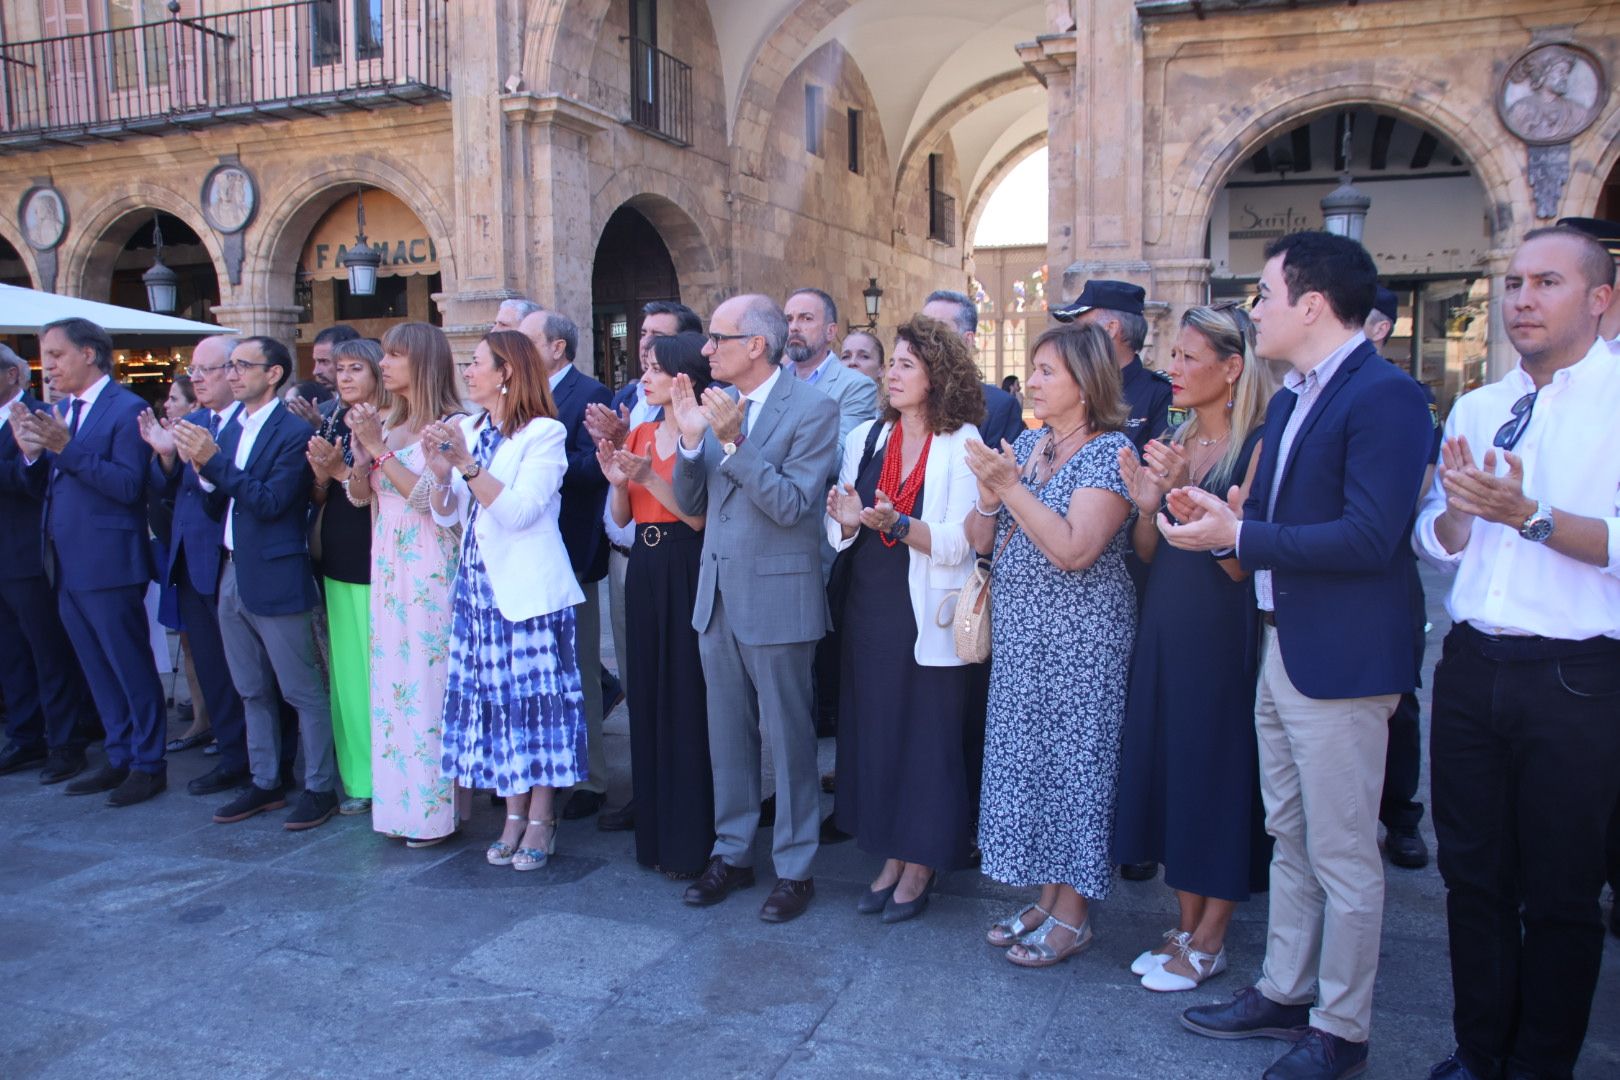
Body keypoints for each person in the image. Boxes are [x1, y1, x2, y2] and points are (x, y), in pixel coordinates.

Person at [1159, 231, 1432, 1079]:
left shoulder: (1386, 397)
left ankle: (1342, 1029)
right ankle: (1283, 988)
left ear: (1312, 305)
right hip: (1283, 647)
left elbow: (1370, 535)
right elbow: (1268, 517)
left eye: (1265, 295)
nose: (1256, 311)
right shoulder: (1288, 399)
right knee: (1289, 832)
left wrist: (1240, 530)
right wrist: (1217, 513)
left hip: (1343, 661)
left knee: (1346, 851)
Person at [1414, 226, 1620, 1080]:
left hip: (1576, 678)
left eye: (1547, 282)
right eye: (1513, 283)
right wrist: (1462, 514)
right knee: (1472, 878)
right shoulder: (1479, 404)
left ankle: (1542, 1063)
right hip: (1472, 666)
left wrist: (1525, 514)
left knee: (1564, 893)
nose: (1523, 299)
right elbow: (1439, 539)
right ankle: (1479, 1046)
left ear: (1600, 299)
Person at [963, 321, 1137, 967]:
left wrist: (1010, 489)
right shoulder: (1031, 444)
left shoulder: (1111, 454)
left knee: (1075, 773)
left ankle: (1074, 916)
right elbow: (982, 541)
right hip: (1023, 637)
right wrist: (988, 496)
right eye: (1033, 368)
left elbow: (1073, 548)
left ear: (1086, 384)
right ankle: (1046, 897)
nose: (1030, 381)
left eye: (1045, 371)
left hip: (1082, 645)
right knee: (1032, 768)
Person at [1111, 303, 1274, 992]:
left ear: (1231, 368)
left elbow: (1242, 563)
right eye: (1171, 355)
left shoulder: (1259, 443)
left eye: (1187, 357)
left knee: (1216, 773)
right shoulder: (1175, 435)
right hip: (1165, 621)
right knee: (1172, 769)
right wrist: (1152, 501)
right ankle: (1183, 922)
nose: (1171, 369)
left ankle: (1213, 936)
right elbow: (1149, 551)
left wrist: (1189, 499)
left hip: (1221, 630)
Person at [670, 293, 840, 923]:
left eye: (717, 337)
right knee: (728, 735)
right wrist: (691, 443)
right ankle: (734, 851)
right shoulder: (715, 406)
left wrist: (734, 441)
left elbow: (795, 505)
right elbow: (693, 501)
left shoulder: (814, 410)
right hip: (716, 595)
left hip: (778, 594)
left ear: (756, 346)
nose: (706, 348)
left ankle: (796, 867)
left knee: (791, 737)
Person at [827, 314, 985, 922]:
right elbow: (842, 524)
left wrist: (894, 523)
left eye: (906, 364)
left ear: (936, 376)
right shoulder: (864, 436)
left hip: (928, 610)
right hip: (870, 603)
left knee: (927, 738)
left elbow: (960, 543)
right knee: (878, 733)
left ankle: (921, 863)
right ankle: (891, 852)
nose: (891, 374)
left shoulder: (962, 442)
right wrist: (845, 519)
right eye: (889, 363)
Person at [425, 331, 587, 872]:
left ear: (507, 373)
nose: (467, 373)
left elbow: (519, 512)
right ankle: (511, 815)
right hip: (477, 591)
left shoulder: (545, 433)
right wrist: (443, 472)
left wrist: (467, 465)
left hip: (529, 594)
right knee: (497, 708)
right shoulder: (468, 428)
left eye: (476, 364)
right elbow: (450, 514)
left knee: (536, 708)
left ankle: (541, 816)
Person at [170, 337, 338, 831]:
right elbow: (220, 502)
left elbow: (270, 502)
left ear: (274, 374)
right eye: (231, 365)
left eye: (244, 365)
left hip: (277, 571)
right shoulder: (230, 428)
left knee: (301, 690)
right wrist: (204, 469)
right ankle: (266, 780)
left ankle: (319, 786)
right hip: (231, 568)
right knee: (249, 687)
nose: (233, 373)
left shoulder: (290, 431)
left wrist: (213, 462)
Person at [11, 318, 168, 806]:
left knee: (128, 663)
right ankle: (119, 754)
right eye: (45, 355)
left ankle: (148, 762)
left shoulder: (127, 409)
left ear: (89, 354)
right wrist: (32, 455)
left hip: (109, 560)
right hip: (63, 561)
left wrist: (64, 448)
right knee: (95, 667)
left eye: (56, 355)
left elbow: (126, 487)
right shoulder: (63, 410)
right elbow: (45, 485)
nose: (49, 365)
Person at [598, 331, 715, 877]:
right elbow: (621, 518)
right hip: (642, 565)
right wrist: (619, 482)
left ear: (683, 377)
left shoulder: (705, 434)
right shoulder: (641, 430)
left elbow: (695, 518)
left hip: (685, 564)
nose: (644, 376)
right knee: (645, 691)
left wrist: (648, 478)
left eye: (654, 367)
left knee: (684, 695)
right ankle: (654, 835)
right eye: (643, 366)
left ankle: (690, 838)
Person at [345, 322, 466, 847]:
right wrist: (357, 457)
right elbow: (359, 496)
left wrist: (381, 451)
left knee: (426, 682)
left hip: (430, 565)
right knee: (392, 686)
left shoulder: (452, 425)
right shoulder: (387, 422)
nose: (385, 364)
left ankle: (435, 814)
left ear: (423, 362)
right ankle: (398, 807)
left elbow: (432, 505)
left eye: (395, 355)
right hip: (388, 562)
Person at [139, 337, 251, 793]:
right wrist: (166, 457)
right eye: (193, 369)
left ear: (235, 371)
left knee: (244, 673)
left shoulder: (247, 425)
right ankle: (229, 754)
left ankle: (255, 761)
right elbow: (167, 492)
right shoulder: (194, 421)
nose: (197, 377)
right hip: (187, 560)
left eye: (208, 369)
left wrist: (206, 463)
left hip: (229, 562)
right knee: (209, 668)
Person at [517, 310, 614, 822]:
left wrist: (541, 463)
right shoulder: (518, 395)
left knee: (577, 670)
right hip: (521, 554)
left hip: (570, 549)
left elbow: (595, 465)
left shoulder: (590, 392)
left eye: (527, 340)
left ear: (557, 347)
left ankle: (590, 779)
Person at [1364, 285, 1440, 871]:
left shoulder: (1403, 395)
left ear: (1380, 328)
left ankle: (1402, 816)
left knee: (1400, 702)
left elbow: (1414, 492)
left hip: (1388, 569)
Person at [0, 342, 97, 783]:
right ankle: (25, 736)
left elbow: (36, 481)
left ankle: (65, 742)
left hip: (30, 555)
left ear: (12, 376)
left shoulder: (44, 416)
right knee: (11, 654)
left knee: (48, 653)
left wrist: (26, 454)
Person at [305, 337, 391, 816]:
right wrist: (322, 475)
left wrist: (341, 472)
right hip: (337, 552)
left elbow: (384, 489)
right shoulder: (334, 417)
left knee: (379, 673)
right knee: (347, 677)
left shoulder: (390, 421)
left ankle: (389, 774)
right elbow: (323, 495)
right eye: (340, 369)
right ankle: (358, 777)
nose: (344, 377)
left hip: (379, 554)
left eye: (355, 367)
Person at [1052, 279, 1173, 452]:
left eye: (1083, 330)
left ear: (1111, 328)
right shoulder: (1072, 387)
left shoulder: (1159, 394)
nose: (1073, 340)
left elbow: (1161, 470)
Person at [922, 290, 1026, 448]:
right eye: (922, 327)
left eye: (938, 329)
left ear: (967, 340)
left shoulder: (999, 408)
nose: (925, 337)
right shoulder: (903, 400)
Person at [785, 287, 879, 444]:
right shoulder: (773, 379)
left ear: (830, 332)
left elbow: (840, 457)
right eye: (788, 319)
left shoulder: (856, 387)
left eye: (806, 318)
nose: (794, 327)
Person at [284, 324, 360, 426]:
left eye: (324, 362)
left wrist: (319, 428)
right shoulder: (322, 410)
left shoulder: (374, 409)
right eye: (316, 361)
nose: (316, 371)